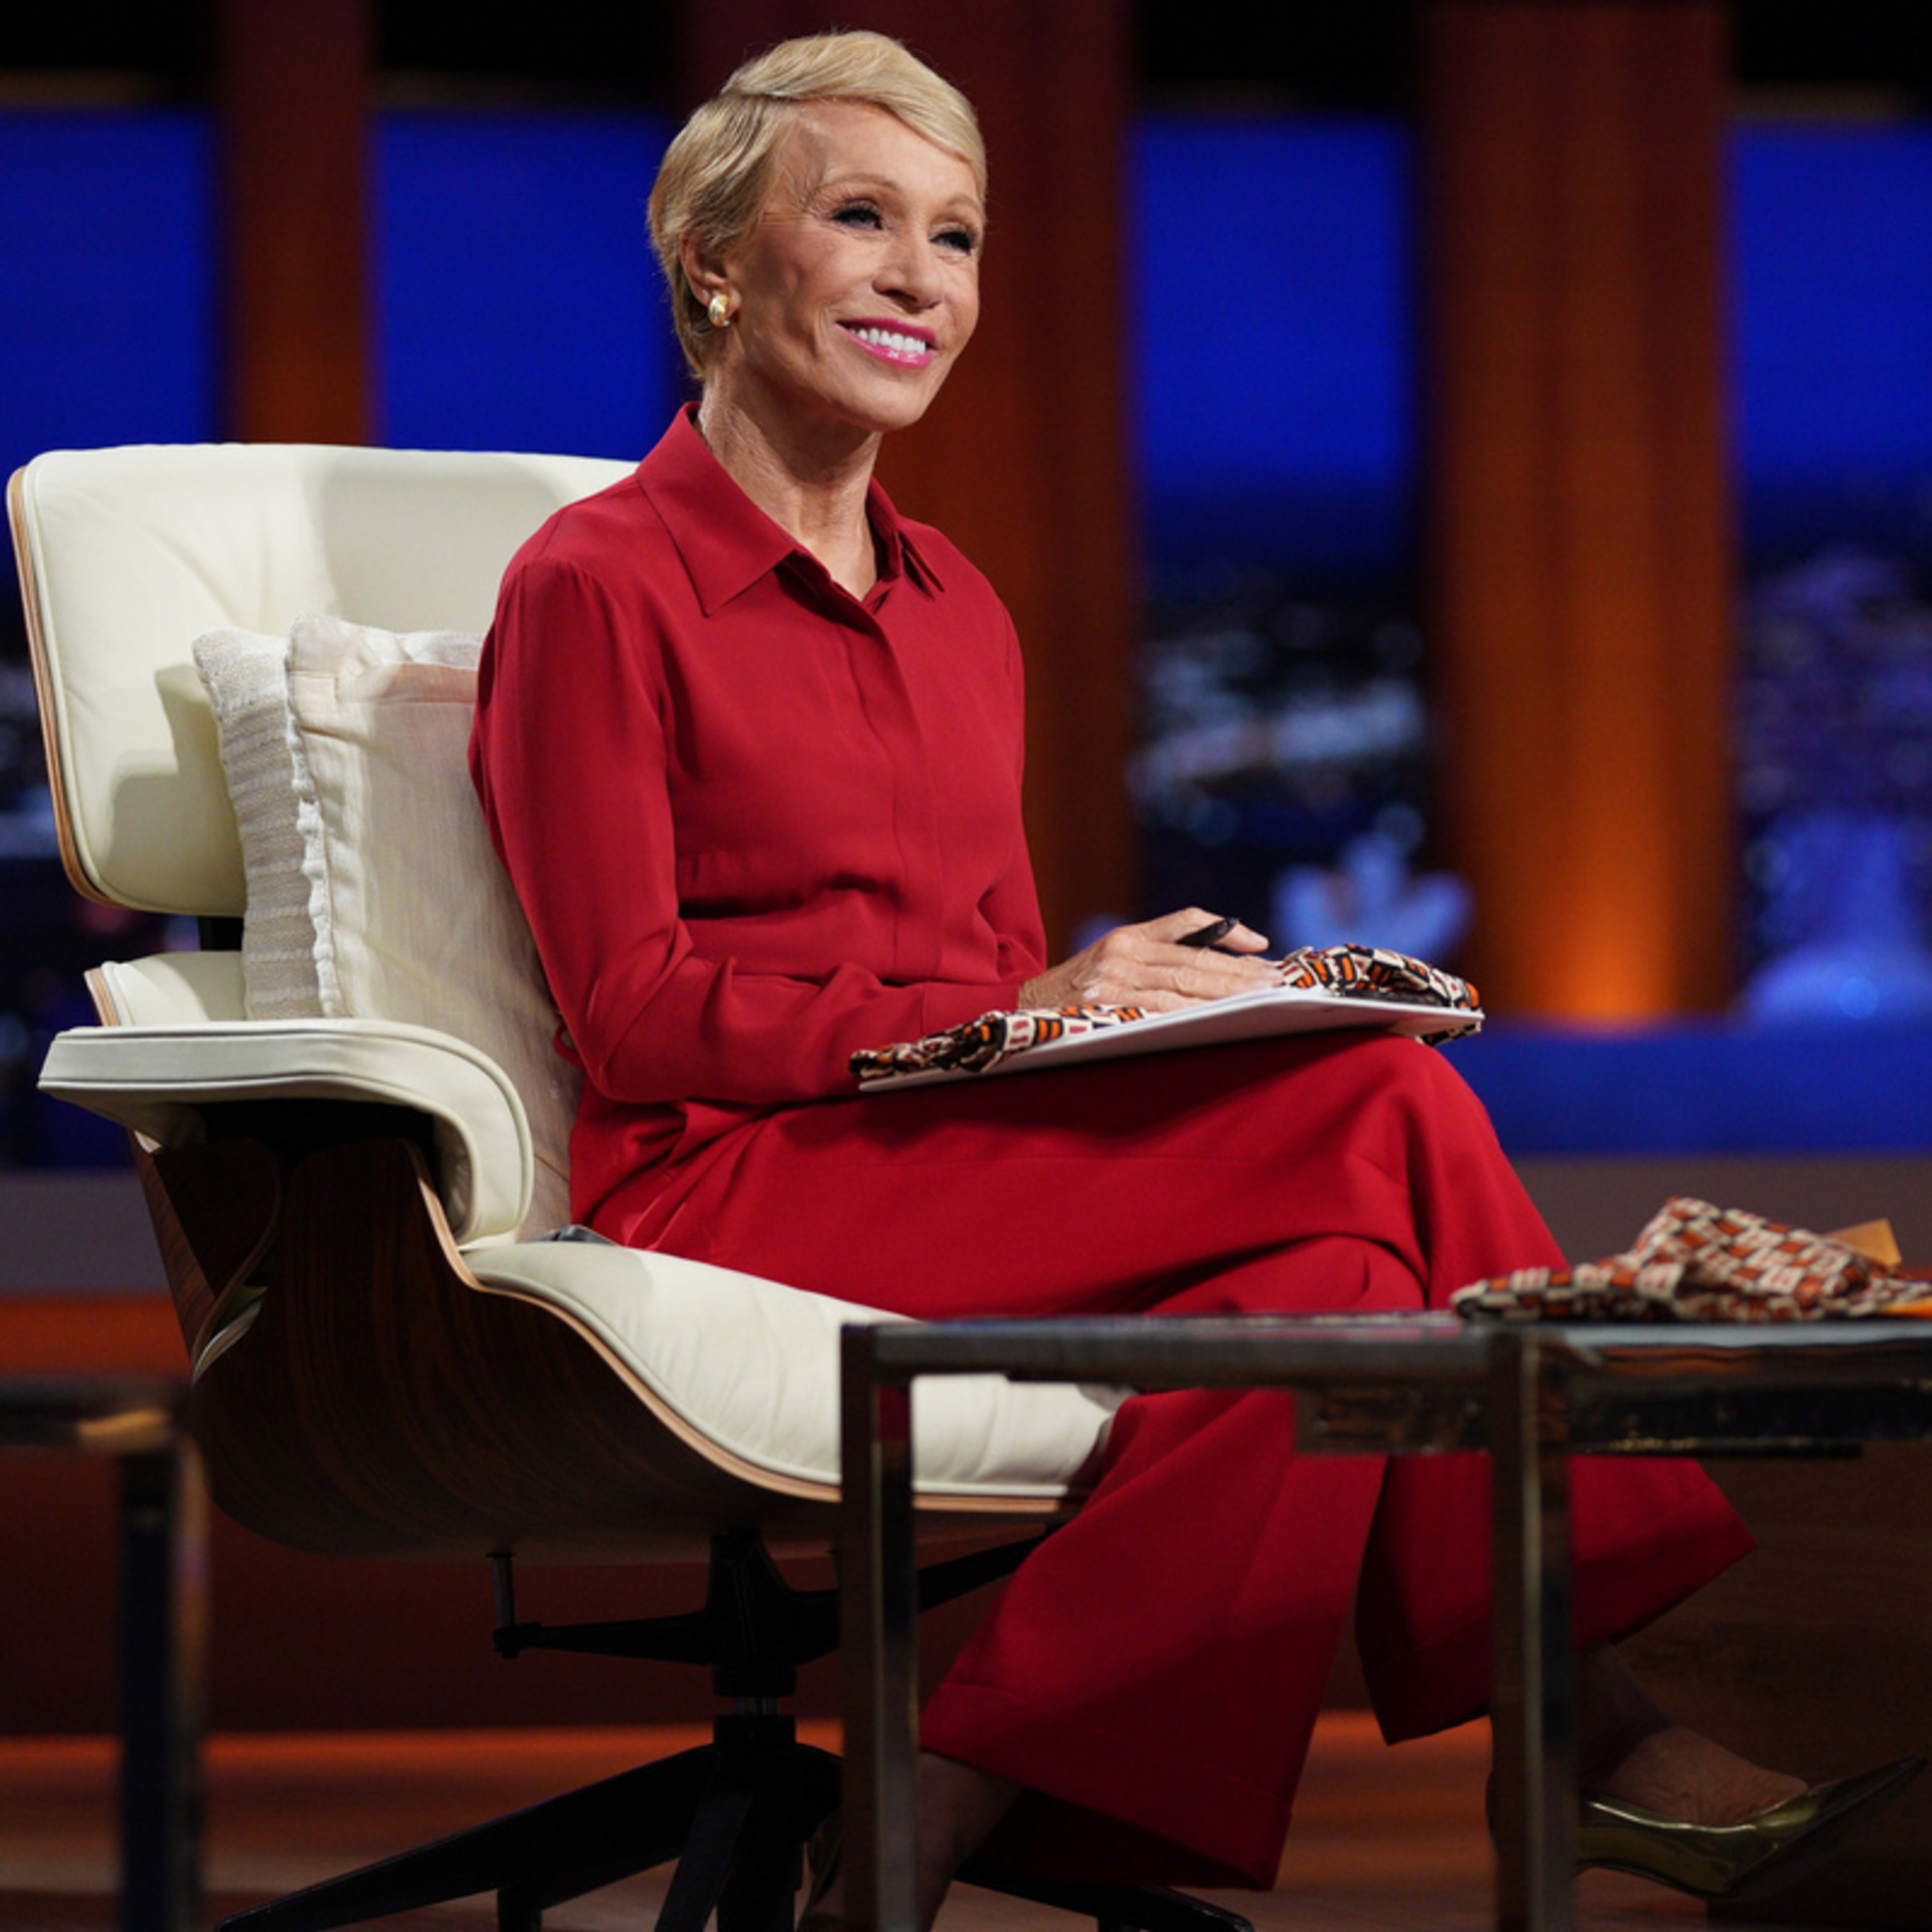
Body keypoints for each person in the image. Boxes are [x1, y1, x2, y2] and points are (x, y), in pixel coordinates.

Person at [470, 30, 1903, 1926]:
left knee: (1334, 1297)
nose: (921, 277)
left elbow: (989, 979)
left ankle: (940, 1801)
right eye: (863, 219)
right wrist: (1021, 1019)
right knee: (1385, 1107)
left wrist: (1139, 1013)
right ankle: (1589, 1721)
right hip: (715, 1179)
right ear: (718, 267)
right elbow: (634, 1012)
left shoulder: (962, 604)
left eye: (959, 238)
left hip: (931, 1163)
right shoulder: (595, 583)